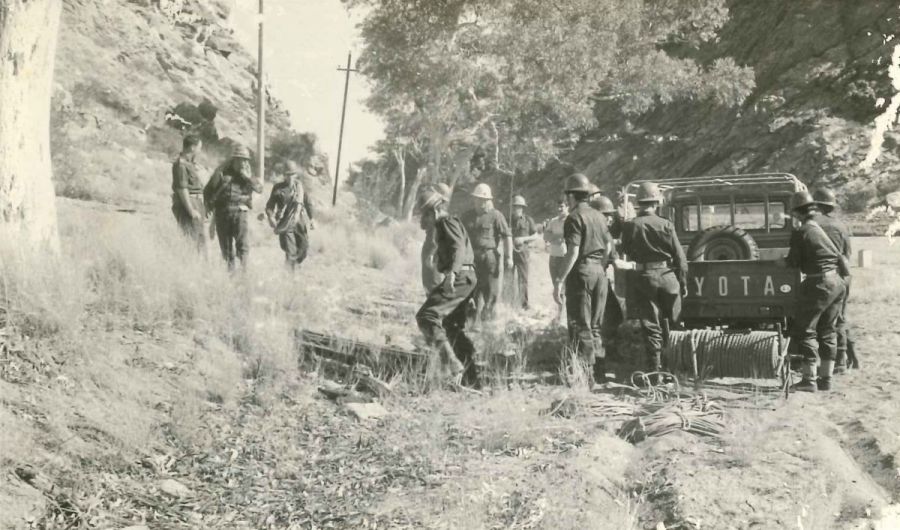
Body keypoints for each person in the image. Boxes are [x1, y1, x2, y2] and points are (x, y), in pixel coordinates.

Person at [619, 182, 689, 380]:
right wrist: (682, 283)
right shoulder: (666, 224)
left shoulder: (631, 225)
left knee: (651, 325)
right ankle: (674, 371)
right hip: (668, 278)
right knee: (674, 325)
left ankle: (655, 372)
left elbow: (625, 251)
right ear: (657, 202)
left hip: (645, 278)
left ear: (639, 202)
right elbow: (680, 259)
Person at [785, 190, 848, 392]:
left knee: (805, 329)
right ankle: (826, 379)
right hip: (836, 283)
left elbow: (793, 262)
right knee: (828, 330)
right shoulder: (819, 228)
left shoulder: (801, 232)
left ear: (796, 213)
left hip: (818, 283)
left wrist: (781, 262)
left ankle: (808, 380)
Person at [415, 190, 479, 386]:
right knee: (451, 327)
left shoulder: (445, 222)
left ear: (434, 212)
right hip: (466, 277)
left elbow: (458, 248)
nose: (422, 220)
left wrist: (452, 274)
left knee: (427, 316)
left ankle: (453, 367)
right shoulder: (447, 224)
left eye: (424, 215)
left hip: (460, 276)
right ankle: (471, 378)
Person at [554, 173, 613, 386]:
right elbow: (608, 246)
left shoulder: (574, 217)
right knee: (596, 326)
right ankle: (600, 373)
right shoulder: (598, 215)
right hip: (600, 272)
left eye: (567, 196)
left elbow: (573, 252)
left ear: (571, 196)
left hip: (583, 273)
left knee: (581, 325)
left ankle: (586, 377)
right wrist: (601, 266)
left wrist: (559, 280)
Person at [813, 187, 858, 373]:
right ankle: (842, 360)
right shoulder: (841, 226)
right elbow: (847, 254)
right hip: (842, 277)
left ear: (815, 204)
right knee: (838, 319)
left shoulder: (811, 225)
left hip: (819, 278)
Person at [203, 144, 263, 270]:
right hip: (222, 213)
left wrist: (247, 177)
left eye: (245, 159)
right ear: (234, 159)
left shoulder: (248, 175)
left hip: (240, 213)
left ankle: (244, 274)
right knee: (226, 248)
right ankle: (231, 276)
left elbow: (259, 189)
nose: (243, 162)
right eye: (241, 159)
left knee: (243, 246)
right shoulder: (221, 173)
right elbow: (207, 191)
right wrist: (208, 206)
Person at [461, 183, 513, 322]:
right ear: (474, 199)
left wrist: (509, 257)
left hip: (489, 258)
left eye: (484, 200)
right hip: (471, 258)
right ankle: (473, 321)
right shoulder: (467, 216)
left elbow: (507, 236)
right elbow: (459, 235)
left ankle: (487, 318)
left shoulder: (496, 216)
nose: (481, 202)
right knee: (472, 290)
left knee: (490, 291)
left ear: (489, 200)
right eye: (478, 199)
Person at [265, 160, 315, 270]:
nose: (290, 177)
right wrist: (270, 216)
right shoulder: (278, 188)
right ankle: (289, 275)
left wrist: (312, 219)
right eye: (287, 175)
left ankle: (293, 264)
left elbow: (308, 203)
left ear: (296, 175)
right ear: (284, 175)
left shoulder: (300, 188)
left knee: (304, 249)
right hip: (285, 223)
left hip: (299, 222)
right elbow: (270, 205)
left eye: (292, 174)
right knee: (290, 251)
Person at [592, 194, 625, 359]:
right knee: (609, 317)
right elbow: (616, 261)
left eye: (611, 215)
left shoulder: (587, 230)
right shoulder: (606, 235)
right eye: (607, 215)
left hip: (585, 279)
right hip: (598, 279)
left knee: (597, 319)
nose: (610, 219)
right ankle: (602, 359)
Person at [171, 135, 206, 251]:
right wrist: (191, 210)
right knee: (192, 239)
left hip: (196, 202)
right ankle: (193, 265)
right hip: (189, 203)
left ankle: (201, 266)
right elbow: (182, 189)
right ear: (192, 148)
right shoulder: (181, 165)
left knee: (200, 238)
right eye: (199, 148)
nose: (200, 151)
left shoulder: (189, 164)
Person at [509, 195, 540, 310]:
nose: (516, 208)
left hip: (523, 253)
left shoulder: (528, 220)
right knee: (509, 279)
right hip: (510, 252)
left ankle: (524, 304)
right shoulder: (508, 220)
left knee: (523, 279)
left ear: (522, 207)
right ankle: (510, 303)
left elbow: (536, 235)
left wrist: (523, 239)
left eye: (518, 207)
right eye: (514, 206)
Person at [421, 183, 453, 293]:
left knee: (434, 281)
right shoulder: (432, 213)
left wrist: (432, 253)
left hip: (435, 251)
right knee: (427, 281)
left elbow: (437, 239)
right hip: (429, 248)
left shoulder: (442, 216)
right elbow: (423, 226)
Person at [543, 195, 569, 325]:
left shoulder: (571, 220)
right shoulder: (553, 221)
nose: (559, 209)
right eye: (558, 206)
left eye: (562, 206)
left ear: (567, 206)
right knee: (556, 286)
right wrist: (558, 236)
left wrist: (558, 237)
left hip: (565, 258)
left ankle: (563, 316)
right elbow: (545, 236)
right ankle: (559, 313)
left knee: (564, 287)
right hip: (554, 257)